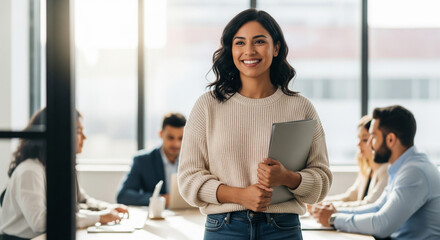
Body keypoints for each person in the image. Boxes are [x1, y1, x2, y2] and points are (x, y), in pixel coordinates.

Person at [178, 9, 332, 240]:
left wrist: (288, 178)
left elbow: (322, 180)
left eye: (259, 41)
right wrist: (240, 195)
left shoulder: (301, 108)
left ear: (276, 48)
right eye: (240, 42)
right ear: (231, 50)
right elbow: (188, 179)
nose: (249, 51)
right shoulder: (207, 106)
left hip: (283, 229)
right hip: (224, 228)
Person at [314, 105, 440, 240]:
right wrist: (335, 212)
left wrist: (334, 219)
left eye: (373, 136)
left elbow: (382, 225)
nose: (369, 144)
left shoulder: (415, 172)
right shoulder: (403, 168)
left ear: (391, 139)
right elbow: (377, 207)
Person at [0, 109, 128, 240]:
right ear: (60, 134)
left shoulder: (57, 167)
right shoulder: (30, 170)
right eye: (78, 131)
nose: (84, 137)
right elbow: (39, 222)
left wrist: (107, 209)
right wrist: (99, 217)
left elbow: (82, 200)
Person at [310, 115, 388, 210]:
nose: (358, 144)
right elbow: (350, 197)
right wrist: (321, 203)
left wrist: (330, 208)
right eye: (358, 138)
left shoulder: (385, 171)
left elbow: (369, 205)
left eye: (364, 140)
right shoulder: (367, 170)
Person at [117, 113, 186, 206]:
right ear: (161, 134)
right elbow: (123, 196)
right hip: (157, 216)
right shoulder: (142, 160)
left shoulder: (191, 160)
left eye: (181, 138)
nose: (176, 144)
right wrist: (160, 199)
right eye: (170, 138)